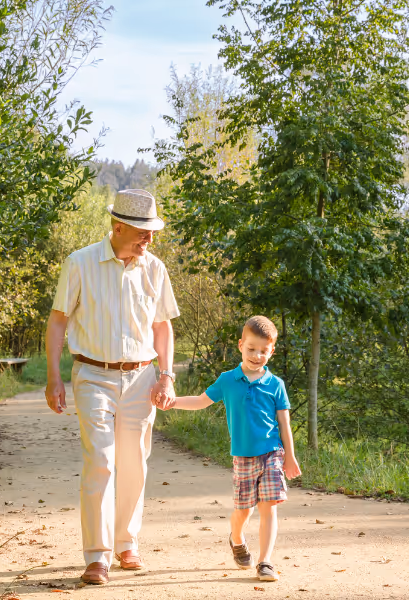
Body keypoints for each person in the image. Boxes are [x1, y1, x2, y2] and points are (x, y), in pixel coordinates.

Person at [44, 189, 180, 586]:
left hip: (142, 378)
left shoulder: (155, 269)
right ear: (118, 226)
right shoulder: (80, 263)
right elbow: (57, 322)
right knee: (101, 461)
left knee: (134, 463)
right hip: (93, 376)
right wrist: (54, 376)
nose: (149, 239)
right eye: (142, 231)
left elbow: (162, 327)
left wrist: (166, 375)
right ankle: (97, 555)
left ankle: (126, 543)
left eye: (152, 232)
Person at [163, 316, 301, 582]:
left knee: (269, 506)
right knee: (243, 511)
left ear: (271, 351)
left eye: (263, 350)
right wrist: (172, 402)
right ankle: (236, 538)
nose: (257, 355)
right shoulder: (228, 380)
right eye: (251, 349)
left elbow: (284, 423)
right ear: (241, 345)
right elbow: (202, 401)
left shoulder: (276, 385)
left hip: (272, 453)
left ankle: (265, 561)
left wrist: (290, 457)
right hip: (243, 457)